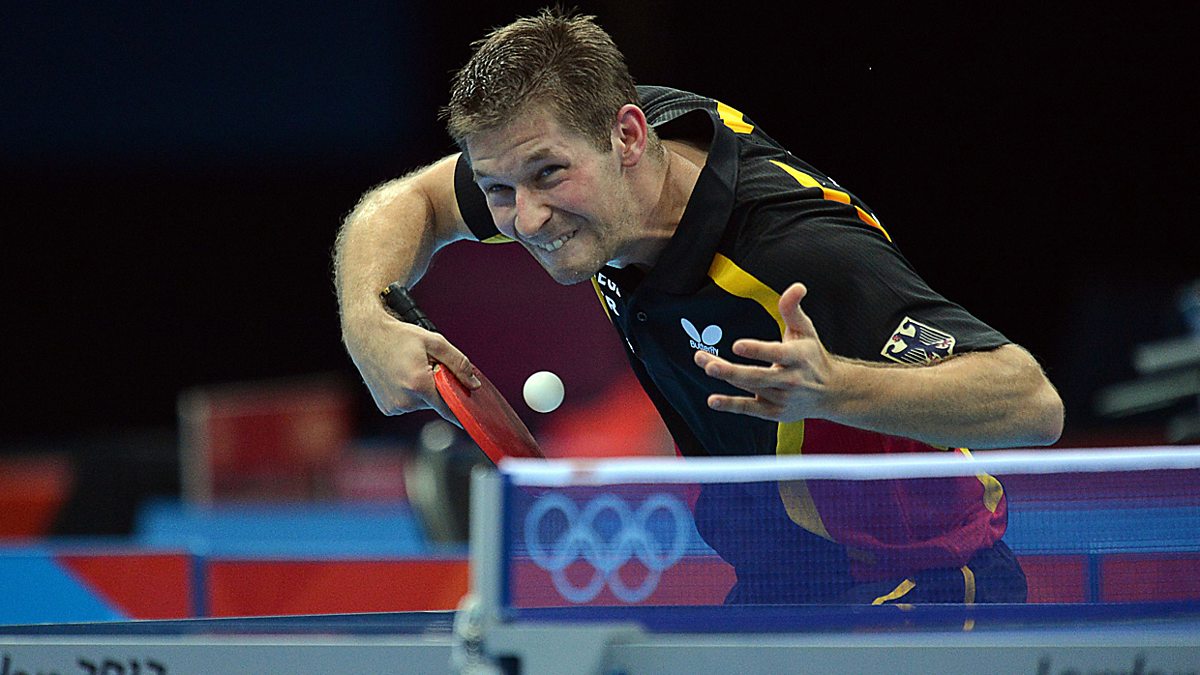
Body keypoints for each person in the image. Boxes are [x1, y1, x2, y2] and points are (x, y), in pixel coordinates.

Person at [333, 8, 1064, 604]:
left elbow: (1033, 402)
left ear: (627, 136)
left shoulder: (795, 254)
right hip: (781, 588)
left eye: (548, 175)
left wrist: (839, 388)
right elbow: (413, 200)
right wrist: (368, 319)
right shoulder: (584, 150)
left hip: (924, 590)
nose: (524, 219)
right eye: (499, 189)